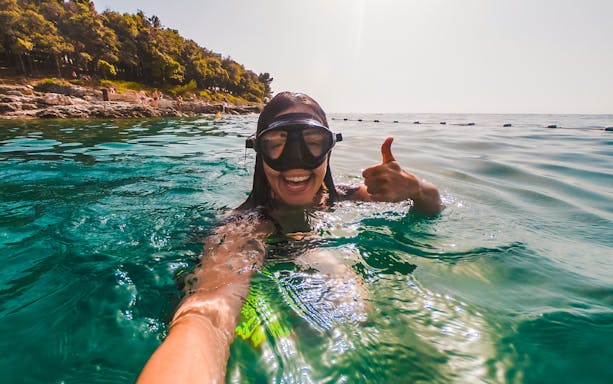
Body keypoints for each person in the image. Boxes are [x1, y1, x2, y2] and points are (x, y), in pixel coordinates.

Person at [136, 92, 442, 383]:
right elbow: (208, 314)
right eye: (277, 144)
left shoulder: (350, 196)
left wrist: (417, 189)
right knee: (333, 276)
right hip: (272, 262)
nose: (295, 161)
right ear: (259, 150)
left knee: (344, 295)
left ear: (328, 149)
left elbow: (432, 205)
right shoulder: (242, 227)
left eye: (312, 142)